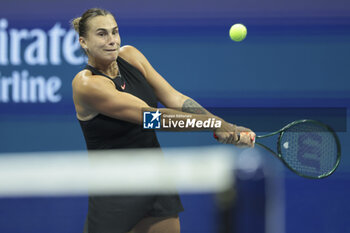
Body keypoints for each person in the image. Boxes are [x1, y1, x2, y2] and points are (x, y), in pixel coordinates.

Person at [71, 8, 255, 233]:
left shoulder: (131, 56)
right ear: (84, 42)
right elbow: (151, 118)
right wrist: (215, 125)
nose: (112, 40)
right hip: (114, 187)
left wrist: (223, 124)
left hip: (154, 176)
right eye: (102, 34)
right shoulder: (86, 84)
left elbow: (173, 97)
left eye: (115, 32)